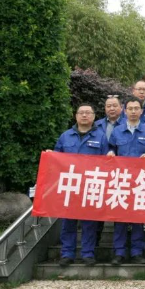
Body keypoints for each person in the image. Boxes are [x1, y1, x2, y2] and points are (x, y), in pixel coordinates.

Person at [54, 104, 109, 267]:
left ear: (94, 116)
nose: (84, 115)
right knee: (68, 222)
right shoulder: (66, 136)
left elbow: (106, 162)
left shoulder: (101, 137)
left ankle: (88, 253)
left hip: (90, 186)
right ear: (76, 116)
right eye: (81, 113)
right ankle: (67, 253)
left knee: (89, 223)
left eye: (88, 113)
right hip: (70, 186)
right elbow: (56, 158)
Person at [107, 97, 145, 265]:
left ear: (141, 111)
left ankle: (137, 252)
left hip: (141, 180)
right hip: (121, 180)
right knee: (120, 217)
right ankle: (119, 252)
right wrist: (111, 153)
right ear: (125, 111)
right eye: (130, 108)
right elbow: (111, 147)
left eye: (136, 108)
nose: (133, 111)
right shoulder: (117, 131)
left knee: (138, 217)